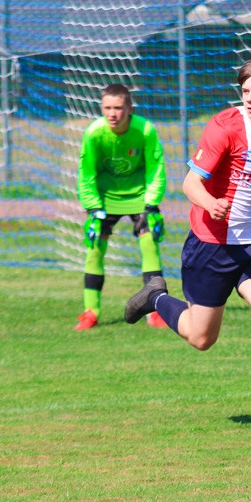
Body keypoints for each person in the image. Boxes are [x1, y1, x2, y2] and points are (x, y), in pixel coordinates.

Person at [124, 56, 251, 435]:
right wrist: (209, 202)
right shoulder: (225, 127)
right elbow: (189, 183)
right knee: (201, 338)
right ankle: (155, 297)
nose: (249, 98)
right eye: (245, 91)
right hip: (210, 246)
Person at [75, 83, 168, 330]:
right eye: (107, 108)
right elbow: (87, 174)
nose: (112, 113)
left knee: (149, 245)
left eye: (117, 108)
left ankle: (155, 312)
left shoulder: (145, 130)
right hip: (105, 198)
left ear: (129, 108)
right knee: (94, 248)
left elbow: (155, 168)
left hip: (138, 195)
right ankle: (90, 313)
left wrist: (151, 203)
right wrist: (93, 208)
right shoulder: (94, 133)